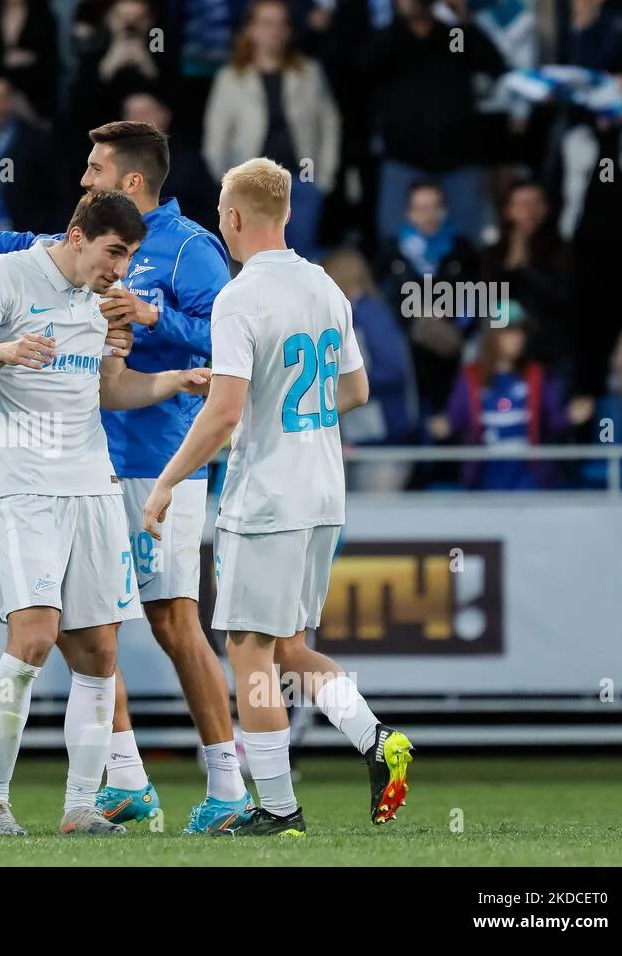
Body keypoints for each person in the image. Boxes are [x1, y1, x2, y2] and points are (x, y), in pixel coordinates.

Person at [0, 121, 250, 834]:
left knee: (170, 618)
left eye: (95, 167)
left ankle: (229, 782)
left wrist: (155, 322)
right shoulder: (72, 260)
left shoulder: (189, 248)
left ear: (128, 180)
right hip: (76, 464)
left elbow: (228, 333)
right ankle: (118, 781)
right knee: (75, 636)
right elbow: (17, 253)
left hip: (154, 463)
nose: (83, 177)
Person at [141, 158, 414, 836]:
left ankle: (278, 808)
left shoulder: (240, 296)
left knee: (248, 651)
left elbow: (226, 414)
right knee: (288, 648)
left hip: (265, 499)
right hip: (323, 493)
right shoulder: (325, 285)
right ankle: (377, 739)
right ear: (286, 214)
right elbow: (355, 392)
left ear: (231, 219)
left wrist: (168, 481)